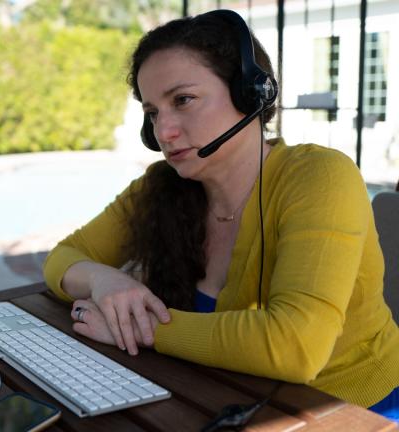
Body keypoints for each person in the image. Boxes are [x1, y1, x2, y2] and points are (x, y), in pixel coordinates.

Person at [42, 9, 399, 420]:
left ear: (250, 94)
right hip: (220, 395)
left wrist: (142, 328)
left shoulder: (320, 177)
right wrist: (103, 279)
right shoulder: (162, 185)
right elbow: (63, 257)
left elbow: (295, 347)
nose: (163, 132)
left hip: (351, 408)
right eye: (153, 113)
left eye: (183, 100)